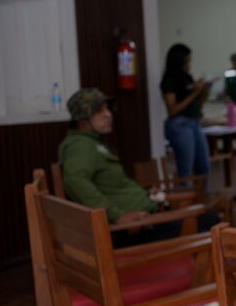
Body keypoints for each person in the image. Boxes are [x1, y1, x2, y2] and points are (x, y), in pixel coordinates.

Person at [59, 88, 218, 247]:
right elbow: (75, 181)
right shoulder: (79, 146)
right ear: (82, 120)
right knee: (210, 221)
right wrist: (118, 216)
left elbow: (113, 187)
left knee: (207, 219)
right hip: (135, 230)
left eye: (107, 108)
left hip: (147, 217)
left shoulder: (92, 143)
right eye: (99, 111)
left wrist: (146, 194)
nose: (108, 114)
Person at [161, 43, 213, 180]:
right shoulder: (169, 80)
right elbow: (172, 110)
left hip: (195, 122)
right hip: (180, 125)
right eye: (188, 60)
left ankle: (203, 193)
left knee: (204, 167)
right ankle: (186, 194)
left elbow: (198, 104)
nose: (190, 63)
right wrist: (195, 92)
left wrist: (204, 91)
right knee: (186, 170)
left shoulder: (187, 77)